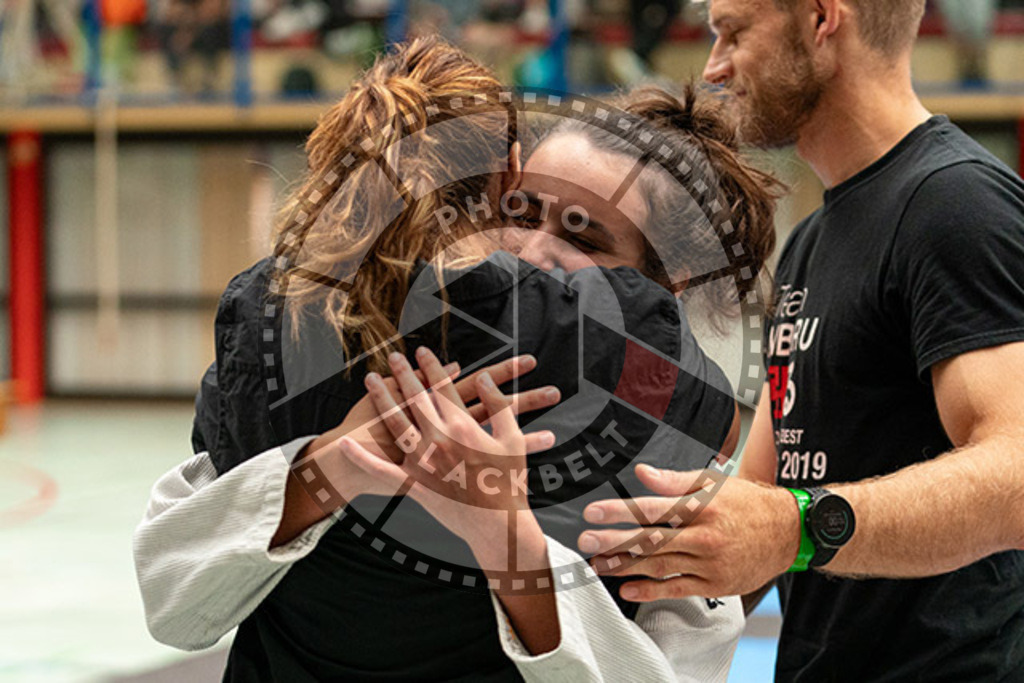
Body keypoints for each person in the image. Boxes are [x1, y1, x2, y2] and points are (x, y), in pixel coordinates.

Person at [133, 37, 779, 681]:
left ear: (665, 291)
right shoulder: (338, 358)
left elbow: (670, 670)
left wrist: (506, 539)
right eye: (520, 210)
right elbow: (174, 600)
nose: (530, 252)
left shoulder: (668, 479)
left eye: (584, 237)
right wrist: (329, 466)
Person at [577, 0, 1024, 680]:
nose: (713, 66)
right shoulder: (813, 239)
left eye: (733, 31)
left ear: (820, 20)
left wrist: (796, 528)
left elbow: (1017, 476)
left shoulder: (955, 205)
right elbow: (761, 494)